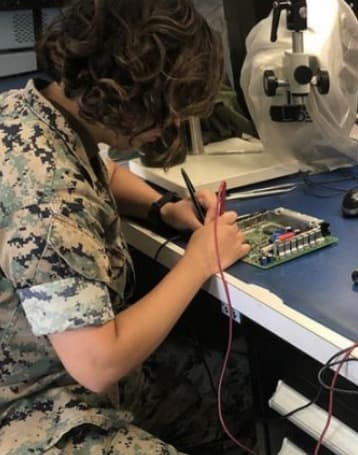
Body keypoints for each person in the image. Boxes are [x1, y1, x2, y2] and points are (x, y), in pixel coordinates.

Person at [0, 0, 255, 453]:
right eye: (170, 110)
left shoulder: (33, 110)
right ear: (129, 96)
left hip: (61, 370)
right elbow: (99, 362)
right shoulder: (50, 200)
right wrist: (200, 260)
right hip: (35, 408)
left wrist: (163, 208)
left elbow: (99, 170)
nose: (173, 125)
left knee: (236, 390)